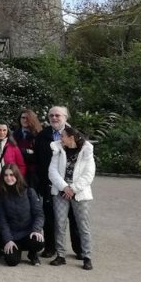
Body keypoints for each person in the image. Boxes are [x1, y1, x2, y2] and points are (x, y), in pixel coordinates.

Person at [35, 106, 82, 260]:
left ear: (65, 117)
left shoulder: (76, 135)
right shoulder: (42, 136)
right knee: (50, 218)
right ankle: (51, 247)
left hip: (72, 184)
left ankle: (79, 249)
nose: (54, 118)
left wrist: (75, 185)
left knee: (75, 217)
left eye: (58, 115)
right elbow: (40, 162)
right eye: (51, 115)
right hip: (50, 183)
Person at [48, 126, 95, 270]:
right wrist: (65, 187)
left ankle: (87, 256)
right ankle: (60, 255)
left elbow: (89, 174)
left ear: (71, 138)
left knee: (83, 225)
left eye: (62, 136)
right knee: (60, 224)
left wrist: (73, 189)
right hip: (61, 192)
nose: (60, 138)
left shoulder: (86, 151)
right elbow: (52, 171)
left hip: (80, 193)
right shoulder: (57, 150)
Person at [0, 163, 45, 266]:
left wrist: (36, 229)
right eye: (6, 175)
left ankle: (32, 254)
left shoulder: (29, 192)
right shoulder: (0, 196)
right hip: (13, 235)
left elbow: (39, 214)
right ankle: (15, 249)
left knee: (38, 241)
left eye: (12, 175)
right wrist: (8, 239)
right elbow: (2, 221)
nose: (9, 178)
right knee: (11, 261)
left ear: (17, 176)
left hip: (29, 232)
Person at [13, 109, 41, 179]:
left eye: (27, 118)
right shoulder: (14, 134)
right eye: (23, 118)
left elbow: (39, 155)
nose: (25, 120)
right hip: (16, 171)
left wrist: (23, 151)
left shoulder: (39, 135)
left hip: (33, 173)